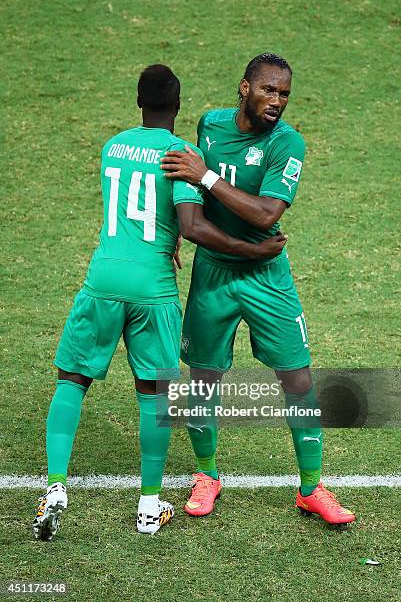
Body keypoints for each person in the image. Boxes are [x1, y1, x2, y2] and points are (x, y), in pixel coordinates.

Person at [32, 64, 288, 541]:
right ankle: (149, 506)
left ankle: (55, 489)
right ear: (177, 105)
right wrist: (254, 249)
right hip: (153, 289)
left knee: (72, 379)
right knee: (154, 394)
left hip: (103, 279)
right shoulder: (181, 153)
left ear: (138, 101)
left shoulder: (112, 147)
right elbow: (191, 227)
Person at [161, 53, 356, 525]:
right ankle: (206, 475)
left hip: (268, 276)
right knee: (203, 378)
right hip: (213, 273)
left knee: (298, 380)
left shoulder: (287, 143)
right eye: (269, 90)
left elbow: (268, 215)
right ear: (245, 88)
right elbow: (185, 191)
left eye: (285, 94)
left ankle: (311, 488)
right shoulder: (209, 125)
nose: (278, 101)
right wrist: (172, 238)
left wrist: (205, 176)